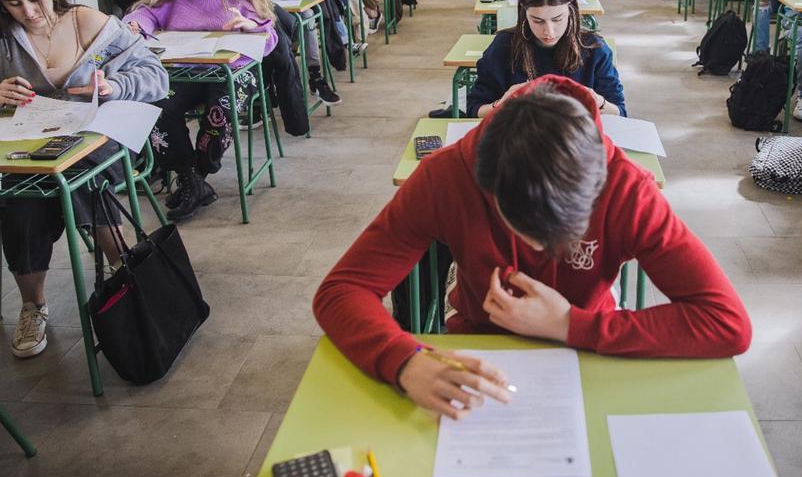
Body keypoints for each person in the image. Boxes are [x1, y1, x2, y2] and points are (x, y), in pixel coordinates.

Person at [312, 74, 752, 417]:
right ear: (488, 185)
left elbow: (726, 322)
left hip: (591, 349)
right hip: (478, 347)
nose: (537, 248)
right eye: (521, 228)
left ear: (596, 185)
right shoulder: (448, 174)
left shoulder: (628, 188)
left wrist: (570, 326)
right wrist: (404, 360)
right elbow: (340, 291)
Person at [0, 0, 168, 358]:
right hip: (29, 152)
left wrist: (114, 86)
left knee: (77, 178)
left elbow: (154, 75)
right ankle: (35, 304)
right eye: (13, 4)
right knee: (21, 201)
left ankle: (124, 272)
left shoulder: (88, 22)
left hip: (98, 142)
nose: (28, 11)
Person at [127, 0, 278, 220]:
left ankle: (198, 174)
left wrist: (251, 27)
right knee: (156, 104)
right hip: (187, 72)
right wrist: (137, 25)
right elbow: (143, 13)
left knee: (221, 107)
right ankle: (190, 179)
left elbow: (270, 39)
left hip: (234, 74)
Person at [467, 0, 625, 118]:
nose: (549, 32)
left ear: (571, 10)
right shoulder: (504, 46)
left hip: (575, 140)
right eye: (537, 20)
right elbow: (474, 108)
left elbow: (621, 112)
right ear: (524, 11)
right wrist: (502, 105)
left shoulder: (594, 48)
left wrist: (600, 102)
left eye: (557, 19)